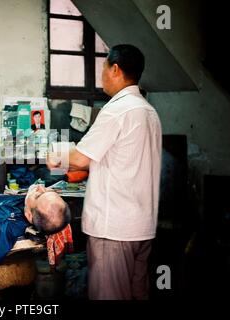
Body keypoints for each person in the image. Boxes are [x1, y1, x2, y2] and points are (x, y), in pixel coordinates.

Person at [47, 44, 162, 300]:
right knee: (136, 293)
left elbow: (79, 159)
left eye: (103, 69)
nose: (101, 77)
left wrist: (55, 158)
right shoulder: (149, 112)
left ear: (116, 69)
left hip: (115, 231)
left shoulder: (116, 109)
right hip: (143, 228)